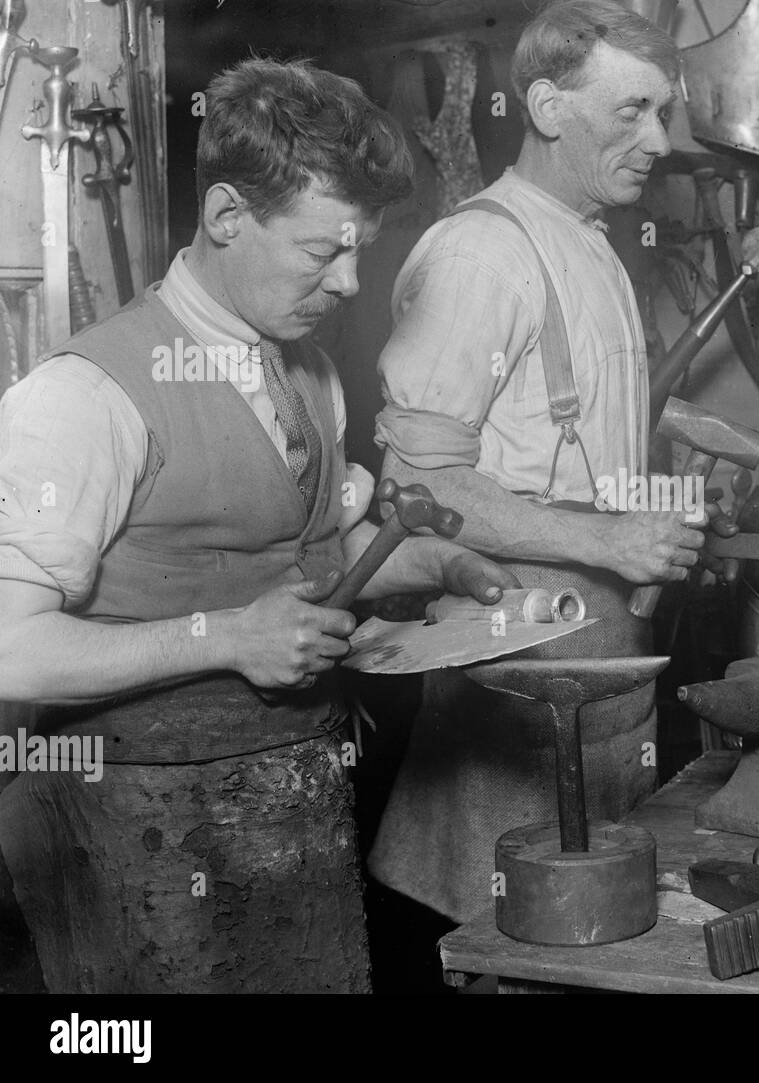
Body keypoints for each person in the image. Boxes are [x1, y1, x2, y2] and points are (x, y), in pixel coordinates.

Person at [0, 58, 516, 993]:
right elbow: (7, 648)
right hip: (133, 822)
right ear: (229, 216)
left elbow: (306, 547)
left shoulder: (306, 369)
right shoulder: (84, 395)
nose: (355, 282)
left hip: (291, 803)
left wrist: (431, 564)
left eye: (363, 249)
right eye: (326, 252)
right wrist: (228, 639)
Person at [368, 0, 699, 925]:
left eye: (663, 111)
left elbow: (567, 425)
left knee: (592, 936)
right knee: (504, 935)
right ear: (548, 108)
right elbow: (416, 490)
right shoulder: (484, 251)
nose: (660, 139)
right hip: (514, 658)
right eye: (633, 110)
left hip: (601, 662)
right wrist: (611, 540)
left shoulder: (589, 239)